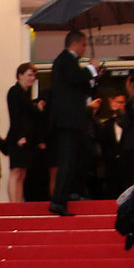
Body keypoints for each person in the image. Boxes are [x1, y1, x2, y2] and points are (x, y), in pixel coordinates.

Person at [48, 32, 97, 216]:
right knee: (67, 160)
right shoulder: (64, 60)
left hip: (74, 120)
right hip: (67, 120)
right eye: (83, 44)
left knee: (77, 157)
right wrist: (90, 69)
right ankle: (59, 200)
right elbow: (75, 78)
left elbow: (81, 85)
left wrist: (92, 75)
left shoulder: (70, 62)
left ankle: (72, 191)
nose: (84, 48)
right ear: (75, 43)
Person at [5, 63, 40, 205]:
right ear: (20, 75)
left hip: (26, 137)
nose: (32, 78)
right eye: (29, 75)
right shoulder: (14, 91)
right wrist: (19, 136)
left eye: (34, 75)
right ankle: (14, 203)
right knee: (16, 171)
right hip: (18, 137)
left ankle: (18, 202)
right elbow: (15, 116)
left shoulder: (25, 94)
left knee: (22, 172)